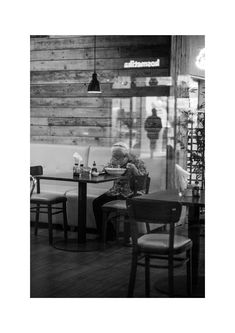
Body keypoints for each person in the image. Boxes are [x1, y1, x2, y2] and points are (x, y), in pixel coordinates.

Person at [92, 142, 147, 240]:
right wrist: (103, 170)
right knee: (97, 203)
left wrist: (134, 170)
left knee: (130, 205)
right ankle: (108, 234)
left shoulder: (137, 162)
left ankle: (128, 237)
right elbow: (106, 171)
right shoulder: (113, 161)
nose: (116, 159)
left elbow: (143, 181)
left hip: (133, 192)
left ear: (126, 155)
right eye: (114, 156)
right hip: (116, 192)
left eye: (119, 156)